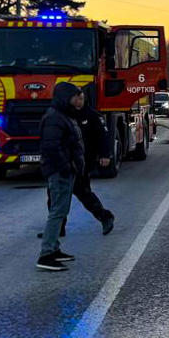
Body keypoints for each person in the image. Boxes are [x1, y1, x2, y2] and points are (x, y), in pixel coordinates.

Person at [35, 93, 115, 239]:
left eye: (81, 99)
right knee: (54, 197)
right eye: (76, 99)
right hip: (65, 163)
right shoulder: (66, 115)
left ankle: (105, 217)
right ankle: (58, 228)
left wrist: (104, 155)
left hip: (82, 162)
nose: (78, 102)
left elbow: (102, 136)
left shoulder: (92, 116)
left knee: (84, 194)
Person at [36, 82, 86, 271]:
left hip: (66, 171)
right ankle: (46, 254)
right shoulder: (54, 118)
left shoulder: (65, 115)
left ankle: (54, 249)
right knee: (57, 212)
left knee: (61, 211)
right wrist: (66, 167)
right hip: (59, 172)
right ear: (66, 97)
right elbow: (51, 147)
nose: (78, 100)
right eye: (76, 96)